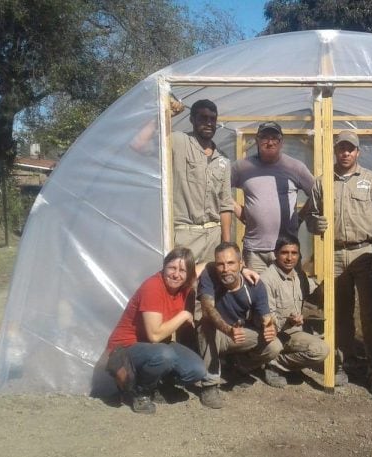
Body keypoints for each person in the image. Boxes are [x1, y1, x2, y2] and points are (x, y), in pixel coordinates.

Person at [306, 130, 372, 396]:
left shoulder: (371, 181)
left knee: (371, 314)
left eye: (350, 149)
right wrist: (314, 224)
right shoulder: (322, 182)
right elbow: (311, 216)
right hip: (334, 254)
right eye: (341, 148)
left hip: (364, 253)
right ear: (335, 151)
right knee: (339, 313)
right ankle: (344, 363)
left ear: (358, 152)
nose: (345, 153)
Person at [105, 247, 208, 414]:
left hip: (158, 346)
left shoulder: (185, 283)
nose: (176, 274)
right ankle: (140, 392)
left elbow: (204, 266)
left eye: (182, 270)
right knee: (165, 355)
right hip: (127, 347)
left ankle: (159, 386)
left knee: (197, 370)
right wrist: (184, 315)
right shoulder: (153, 287)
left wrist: (243, 268)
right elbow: (154, 335)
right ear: (164, 266)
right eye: (172, 268)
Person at [197, 242, 283, 409]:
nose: (225, 269)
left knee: (274, 345)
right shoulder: (209, 276)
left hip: (239, 334)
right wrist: (228, 330)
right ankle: (209, 384)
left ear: (241, 264)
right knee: (204, 326)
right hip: (220, 334)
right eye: (220, 264)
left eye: (230, 263)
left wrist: (269, 326)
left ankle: (240, 367)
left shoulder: (255, 284)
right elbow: (207, 308)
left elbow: (266, 316)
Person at [231, 121, 316, 273]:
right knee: (256, 293)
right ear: (257, 140)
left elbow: (317, 194)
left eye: (274, 138)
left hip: (286, 250)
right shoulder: (242, 167)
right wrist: (239, 211)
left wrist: (300, 217)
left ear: (281, 141)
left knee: (287, 295)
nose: (269, 142)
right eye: (264, 137)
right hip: (254, 251)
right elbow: (220, 189)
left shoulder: (294, 167)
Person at [260, 235, 330, 388]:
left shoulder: (299, 274)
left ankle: (283, 364)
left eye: (294, 253)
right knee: (317, 349)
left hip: (294, 332)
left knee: (323, 349)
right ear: (276, 253)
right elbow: (268, 319)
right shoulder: (267, 279)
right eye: (285, 252)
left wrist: (328, 286)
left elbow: (313, 297)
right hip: (274, 335)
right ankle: (272, 364)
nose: (289, 258)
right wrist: (289, 321)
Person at [170, 99, 233, 264]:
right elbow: (140, 145)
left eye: (213, 119)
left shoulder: (223, 158)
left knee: (211, 286)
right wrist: (167, 114)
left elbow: (225, 205)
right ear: (192, 119)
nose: (209, 123)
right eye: (203, 118)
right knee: (182, 284)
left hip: (214, 235)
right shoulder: (178, 141)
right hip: (185, 236)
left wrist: (226, 245)